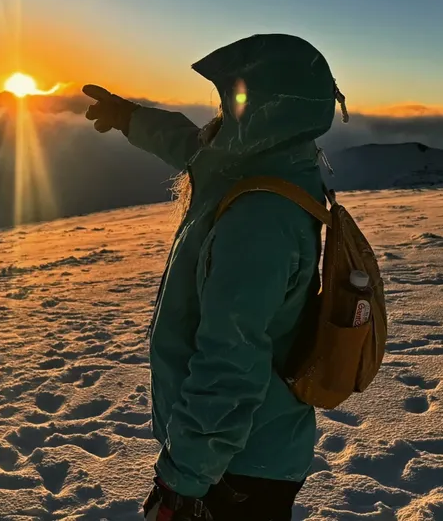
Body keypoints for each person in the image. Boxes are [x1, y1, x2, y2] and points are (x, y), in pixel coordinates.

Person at [83, 33, 341, 521]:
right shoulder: (264, 161)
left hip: (237, 469)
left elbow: (230, 366)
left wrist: (183, 481)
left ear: (269, 109)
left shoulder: (260, 220)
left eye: (236, 98)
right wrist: (129, 117)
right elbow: (191, 145)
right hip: (240, 451)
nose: (224, 110)